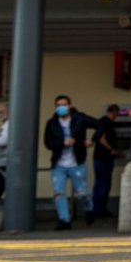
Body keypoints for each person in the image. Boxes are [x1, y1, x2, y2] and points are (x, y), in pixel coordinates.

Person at [44, 95, 98, 230]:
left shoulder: (80, 119)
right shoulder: (52, 123)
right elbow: (48, 143)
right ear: (55, 108)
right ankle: (64, 220)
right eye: (58, 105)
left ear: (70, 106)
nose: (61, 107)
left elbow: (100, 124)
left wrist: (92, 140)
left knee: (81, 193)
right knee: (59, 193)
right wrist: (63, 143)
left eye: (64, 104)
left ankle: (89, 207)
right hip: (59, 165)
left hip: (77, 163)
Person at [91, 104, 120, 218]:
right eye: (116, 114)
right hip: (104, 158)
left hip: (99, 158)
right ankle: (99, 210)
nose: (116, 116)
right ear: (113, 112)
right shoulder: (106, 123)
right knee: (103, 184)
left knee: (100, 183)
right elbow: (101, 138)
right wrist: (111, 149)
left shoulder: (101, 121)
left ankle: (98, 209)